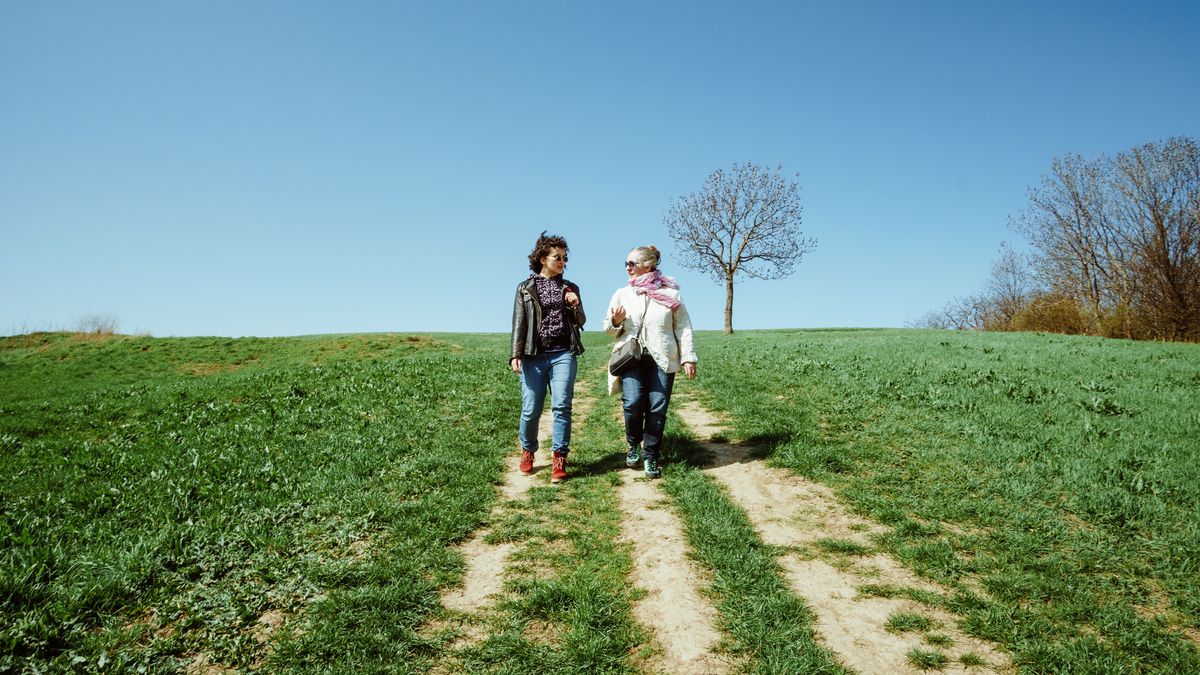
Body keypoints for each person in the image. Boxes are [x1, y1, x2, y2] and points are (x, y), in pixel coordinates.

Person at [603, 245, 697, 479]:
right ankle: (634, 444)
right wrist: (615, 322)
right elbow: (608, 330)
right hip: (631, 356)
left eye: (632, 263)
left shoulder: (671, 294)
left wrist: (688, 357)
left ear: (649, 265)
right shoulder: (622, 293)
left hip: (663, 357)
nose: (627, 267)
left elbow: (683, 327)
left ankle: (651, 455)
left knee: (657, 407)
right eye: (626, 263)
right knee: (633, 402)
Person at [510, 232, 586, 483]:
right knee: (531, 409)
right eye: (557, 257)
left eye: (565, 258)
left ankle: (559, 458)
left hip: (563, 353)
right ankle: (528, 450)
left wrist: (575, 305)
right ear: (543, 258)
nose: (562, 261)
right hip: (534, 355)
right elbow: (519, 323)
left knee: (562, 406)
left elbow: (581, 321)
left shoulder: (570, 287)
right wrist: (515, 354)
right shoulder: (525, 288)